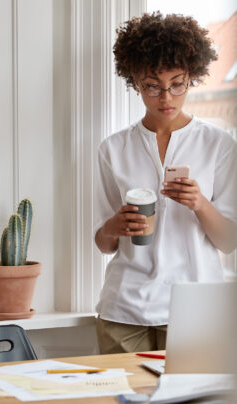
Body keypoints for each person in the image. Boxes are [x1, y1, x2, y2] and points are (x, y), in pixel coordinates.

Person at [94, 11, 237, 354]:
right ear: (135, 80)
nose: (166, 98)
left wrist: (200, 204)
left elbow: (229, 241)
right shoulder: (113, 149)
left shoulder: (219, 145)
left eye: (177, 84)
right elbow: (103, 243)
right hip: (124, 309)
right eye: (152, 86)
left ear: (193, 77)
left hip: (197, 307)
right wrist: (114, 225)